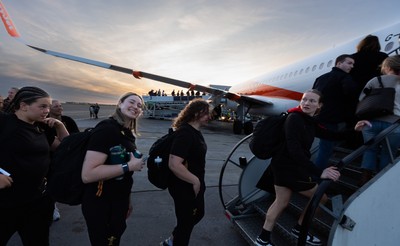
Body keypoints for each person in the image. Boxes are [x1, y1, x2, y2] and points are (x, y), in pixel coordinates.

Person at [254, 89, 363, 246]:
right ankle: (299, 229)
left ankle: (263, 238)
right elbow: (294, 149)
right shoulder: (295, 119)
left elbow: (331, 135)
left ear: (319, 105)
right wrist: (320, 171)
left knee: (281, 202)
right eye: (304, 100)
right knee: (321, 197)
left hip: (284, 166)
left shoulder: (309, 121)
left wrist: (354, 130)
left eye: (312, 101)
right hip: (289, 167)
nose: (306, 103)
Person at [0, 86, 69, 246]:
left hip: (37, 203)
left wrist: (59, 125)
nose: (47, 110)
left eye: (49, 107)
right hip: (6, 204)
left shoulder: (40, 127)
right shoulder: (4, 123)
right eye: (43, 106)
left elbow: (65, 148)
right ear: (23, 106)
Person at [81, 92, 145, 246]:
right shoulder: (107, 129)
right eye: (131, 102)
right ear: (120, 103)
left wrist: (126, 200)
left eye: (139, 106)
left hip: (117, 200)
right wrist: (129, 166)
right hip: (101, 202)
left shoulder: (126, 133)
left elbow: (123, 176)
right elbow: (88, 174)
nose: (135, 107)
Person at [161, 98, 210, 246]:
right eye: (206, 113)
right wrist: (195, 181)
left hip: (193, 184)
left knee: (196, 215)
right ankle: (175, 242)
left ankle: (172, 240)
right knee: (186, 222)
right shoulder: (185, 133)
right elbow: (174, 163)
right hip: (184, 186)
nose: (209, 116)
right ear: (196, 113)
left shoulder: (195, 132)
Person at [357, 55, 400, 186]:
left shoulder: (375, 80)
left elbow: (362, 99)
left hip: (371, 122)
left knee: (370, 149)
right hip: (394, 124)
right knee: (388, 152)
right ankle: (380, 182)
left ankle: (364, 179)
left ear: (387, 67)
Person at [312, 54, 358, 170]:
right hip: (332, 119)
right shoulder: (345, 77)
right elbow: (351, 94)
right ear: (338, 63)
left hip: (317, 117)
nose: (352, 66)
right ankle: (317, 175)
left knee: (321, 146)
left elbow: (315, 95)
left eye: (353, 64)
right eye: (349, 63)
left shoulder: (320, 78)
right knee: (326, 149)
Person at [47, 99, 80, 221]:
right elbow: (54, 145)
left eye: (61, 106)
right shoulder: (45, 123)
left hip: (66, 157)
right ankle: (52, 207)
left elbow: (75, 139)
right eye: (56, 106)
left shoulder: (68, 120)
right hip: (51, 158)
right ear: (49, 109)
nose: (60, 108)